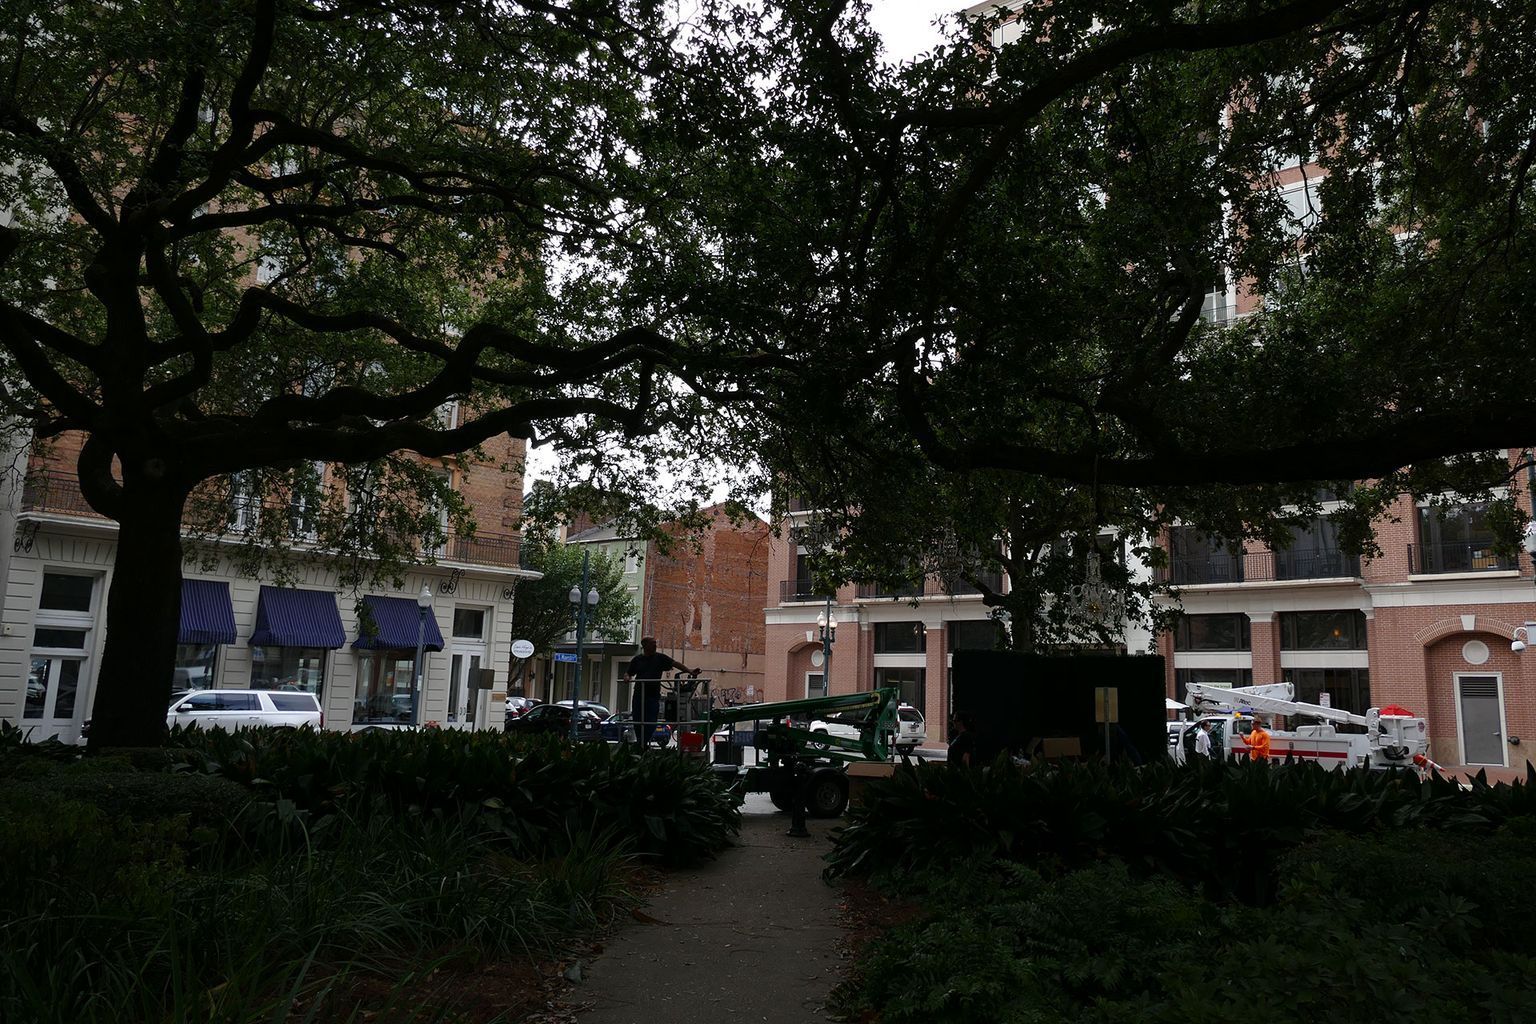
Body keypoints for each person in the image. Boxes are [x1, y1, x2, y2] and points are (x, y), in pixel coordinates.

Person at [623, 636, 698, 747]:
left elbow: (675, 663)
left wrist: (689, 671)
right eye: (652, 643)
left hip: (653, 695)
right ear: (645, 646)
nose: (655, 645)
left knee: (652, 719)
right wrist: (627, 677)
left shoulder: (660, 658)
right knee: (638, 718)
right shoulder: (637, 660)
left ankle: (644, 742)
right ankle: (640, 742)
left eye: (655, 643)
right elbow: (628, 672)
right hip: (639, 694)